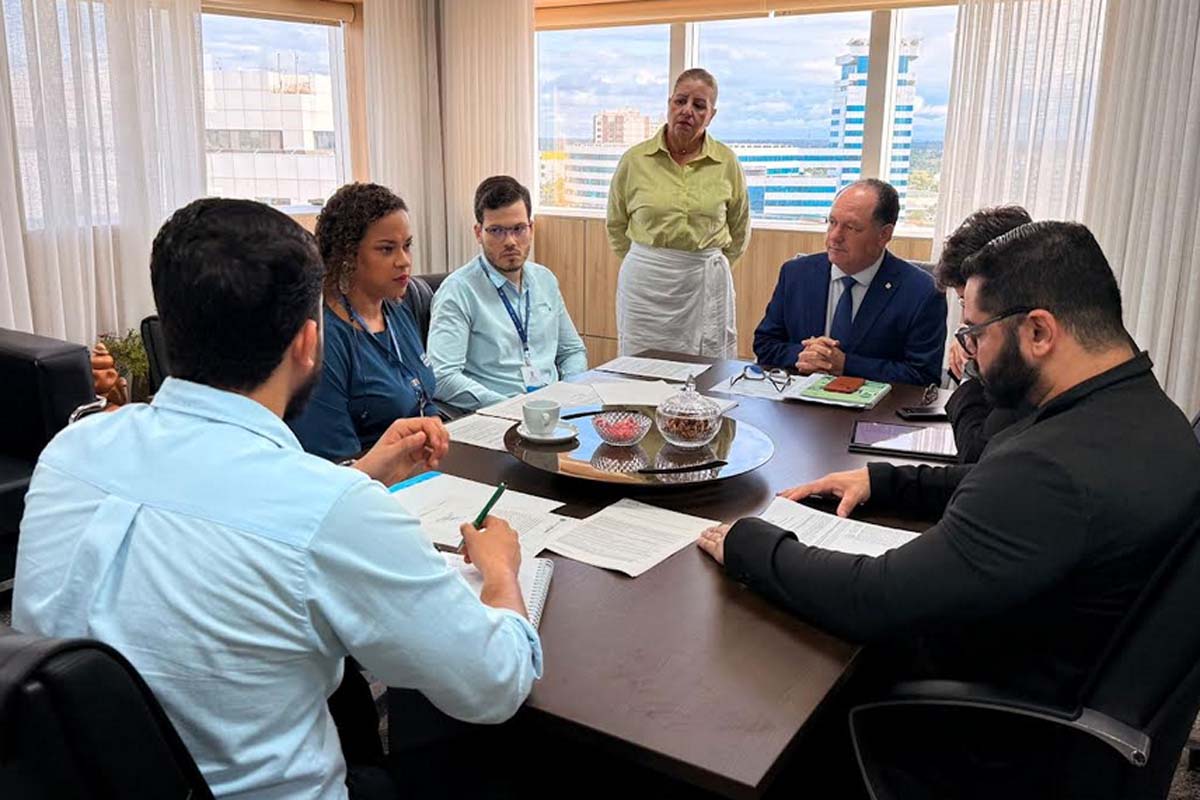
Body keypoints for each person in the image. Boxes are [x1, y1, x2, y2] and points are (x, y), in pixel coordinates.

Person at [12, 198, 543, 800]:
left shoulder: (70, 452)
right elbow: (494, 685)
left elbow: (236, 506)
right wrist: (500, 572)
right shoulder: (328, 510)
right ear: (307, 343)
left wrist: (362, 474)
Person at [699, 221, 1200, 796]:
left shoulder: (1051, 469)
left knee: (762, 701)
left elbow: (874, 597)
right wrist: (885, 482)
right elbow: (1001, 486)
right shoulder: (1139, 414)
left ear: (1039, 331)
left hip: (989, 739)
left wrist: (751, 543)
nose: (969, 354)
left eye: (975, 334)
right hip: (1064, 686)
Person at [287, 182, 438, 461]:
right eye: (386, 249)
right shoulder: (326, 338)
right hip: (367, 483)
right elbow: (335, 461)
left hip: (421, 466)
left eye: (407, 246)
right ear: (347, 256)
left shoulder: (399, 308)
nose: (404, 261)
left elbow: (423, 396)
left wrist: (435, 432)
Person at [606, 67, 750, 359]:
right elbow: (616, 224)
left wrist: (703, 264)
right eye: (680, 101)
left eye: (699, 105)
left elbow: (739, 228)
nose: (687, 111)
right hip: (646, 282)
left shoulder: (726, 162)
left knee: (708, 373)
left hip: (705, 280)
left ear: (711, 114)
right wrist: (654, 263)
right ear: (669, 103)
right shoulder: (635, 160)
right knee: (640, 370)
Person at [752, 179, 946, 386]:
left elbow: (923, 375)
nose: (834, 237)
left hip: (874, 412)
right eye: (832, 222)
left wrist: (845, 364)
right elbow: (765, 344)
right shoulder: (796, 274)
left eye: (851, 227)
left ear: (884, 235)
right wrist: (802, 355)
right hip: (798, 406)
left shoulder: (922, 292)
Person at [428, 175, 587, 411]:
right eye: (497, 231)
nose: (510, 241)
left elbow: (572, 351)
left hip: (555, 411)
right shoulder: (458, 291)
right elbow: (442, 376)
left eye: (518, 229)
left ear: (531, 229)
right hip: (497, 416)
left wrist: (567, 394)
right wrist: (512, 407)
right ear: (478, 232)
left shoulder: (545, 280)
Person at [935, 205, 1034, 462]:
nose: (965, 320)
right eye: (962, 303)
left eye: (967, 302)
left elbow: (975, 455)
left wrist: (971, 370)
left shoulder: (1028, 359)